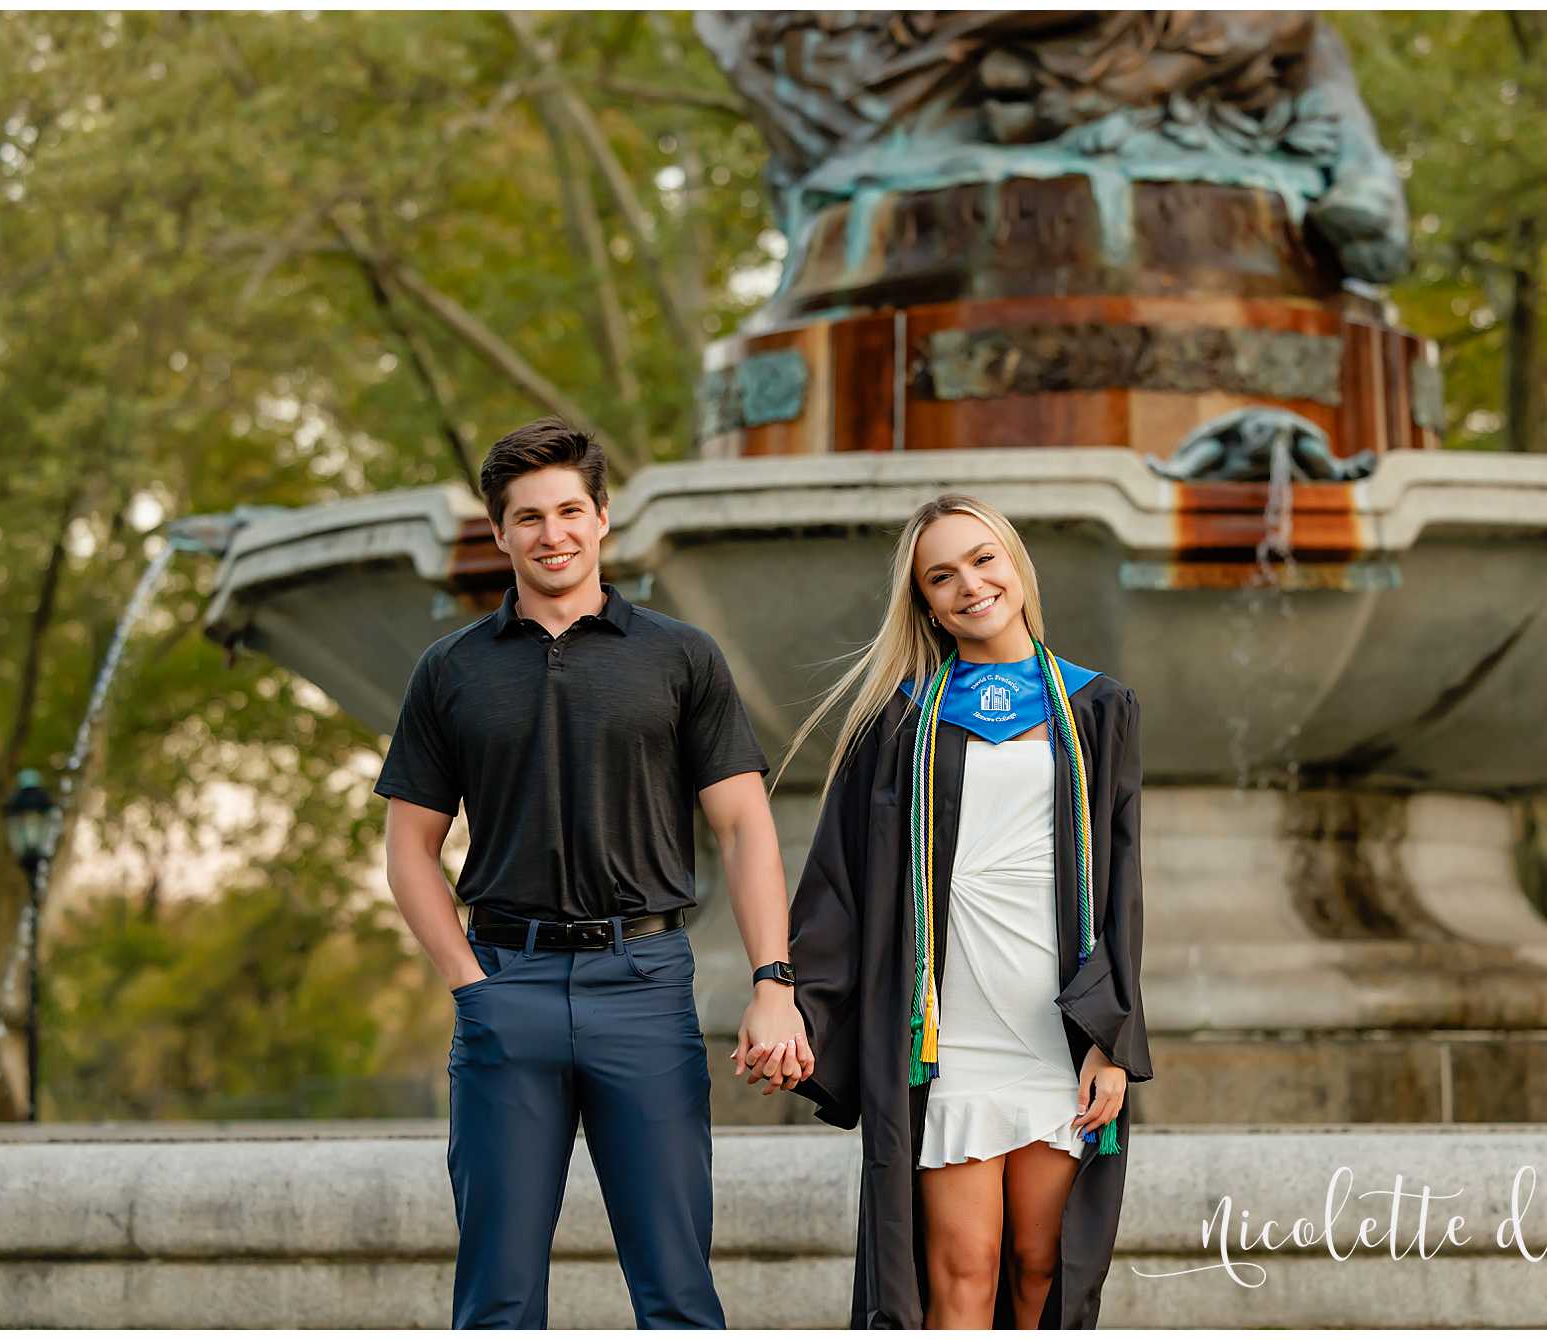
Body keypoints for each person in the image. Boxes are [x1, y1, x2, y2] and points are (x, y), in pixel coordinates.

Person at [375, 417, 809, 1329]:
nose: (552, 533)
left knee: (679, 1293)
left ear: (603, 517)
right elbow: (409, 849)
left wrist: (774, 982)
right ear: (499, 534)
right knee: (495, 1298)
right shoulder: (448, 671)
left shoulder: (680, 656)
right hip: (506, 986)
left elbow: (742, 828)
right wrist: (469, 985)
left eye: (570, 510)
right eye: (528, 518)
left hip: (644, 985)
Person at [752, 493, 1153, 1328]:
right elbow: (839, 884)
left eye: (982, 559)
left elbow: (1121, 891)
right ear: (925, 602)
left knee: (1045, 1270)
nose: (970, 584)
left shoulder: (1097, 708)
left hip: (1058, 1033)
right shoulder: (900, 720)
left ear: (1015, 564)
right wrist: (788, 999)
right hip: (949, 1033)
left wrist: (1112, 1040)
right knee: (960, 1276)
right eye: (942, 576)